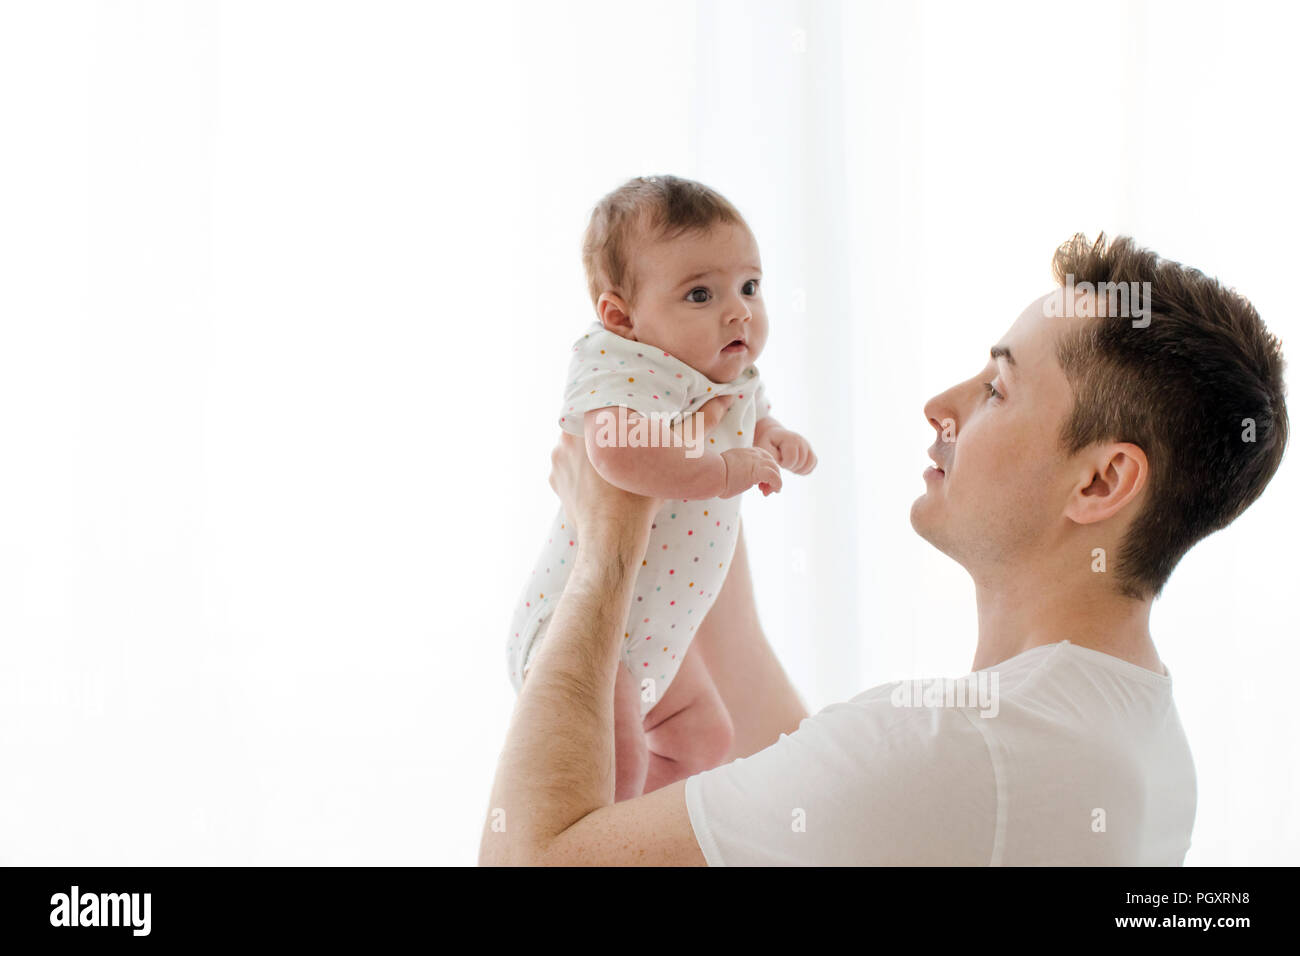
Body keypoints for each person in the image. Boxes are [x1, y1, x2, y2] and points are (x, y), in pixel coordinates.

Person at [479, 233, 1288, 865]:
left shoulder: (962, 748)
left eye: (998, 387)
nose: (942, 405)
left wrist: (608, 539)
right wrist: (697, 486)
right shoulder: (1140, 741)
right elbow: (814, 793)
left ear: (1101, 480)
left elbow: (531, 862)